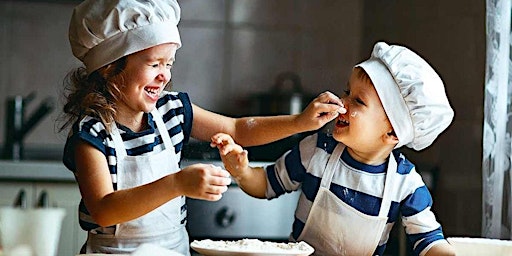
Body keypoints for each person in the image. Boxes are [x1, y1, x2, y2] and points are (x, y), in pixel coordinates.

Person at [60, 0, 344, 255]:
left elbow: (238, 128)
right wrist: (177, 183)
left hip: (173, 250)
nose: (164, 75)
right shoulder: (92, 134)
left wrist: (299, 122)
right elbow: (104, 210)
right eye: (154, 63)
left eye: (169, 63)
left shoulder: (172, 111)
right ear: (110, 67)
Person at [211, 42, 456, 256]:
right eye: (347, 92)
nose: (342, 103)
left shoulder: (405, 183)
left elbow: (429, 241)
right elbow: (265, 184)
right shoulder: (317, 151)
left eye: (358, 101)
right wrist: (242, 171)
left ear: (392, 132)